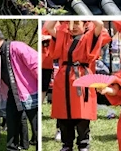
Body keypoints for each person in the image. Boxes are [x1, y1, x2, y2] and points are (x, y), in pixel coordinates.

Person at [44, 20, 110, 151]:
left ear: (84, 24)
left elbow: (100, 24)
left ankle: (83, 143)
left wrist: (83, 14)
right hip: (63, 78)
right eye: (70, 24)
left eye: (76, 23)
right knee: (63, 113)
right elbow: (49, 26)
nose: (72, 27)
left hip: (82, 76)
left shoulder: (89, 36)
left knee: (82, 113)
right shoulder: (63, 36)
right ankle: (66, 144)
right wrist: (60, 15)